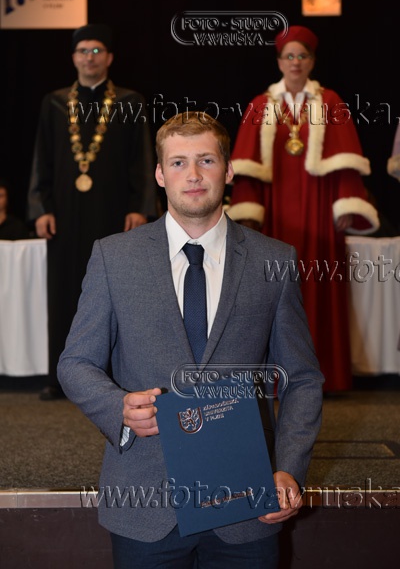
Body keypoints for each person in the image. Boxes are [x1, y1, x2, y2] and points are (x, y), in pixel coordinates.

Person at [57, 111, 324, 568]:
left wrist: (289, 467)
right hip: (145, 500)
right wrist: (118, 408)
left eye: (206, 160)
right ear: (160, 175)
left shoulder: (274, 260)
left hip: (248, 499)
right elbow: (75, 362)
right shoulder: (113, 257)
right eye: (178, 162)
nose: (194, 174)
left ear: (229, 170)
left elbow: (301, 378)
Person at [227, 25, 380, 393]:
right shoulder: (260, 105)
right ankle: (275, 378)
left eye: (302, 56)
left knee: (320, 283)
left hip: (320, 212)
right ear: (279, 61)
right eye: (289, 56)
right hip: (274, 215)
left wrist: (346, 203)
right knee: (273, 290)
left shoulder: (331, 102)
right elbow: (246, 168)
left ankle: (325, 376)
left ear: (312, 61)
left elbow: (345, 161)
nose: (295, 62)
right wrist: (248, 212)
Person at [28, 24, 158, 400]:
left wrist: (140, 208)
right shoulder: (54, 102)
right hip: (63, 216)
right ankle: (61, 378)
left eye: (97, 50)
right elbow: (41, 159)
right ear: (73, 57)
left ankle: (114, 376)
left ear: (110, 57)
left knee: (116, 294)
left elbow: (142, 160)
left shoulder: (130, 101)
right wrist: (40, 207)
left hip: (114, 214)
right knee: (64, 293)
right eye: (83, 50)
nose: (90, 57)